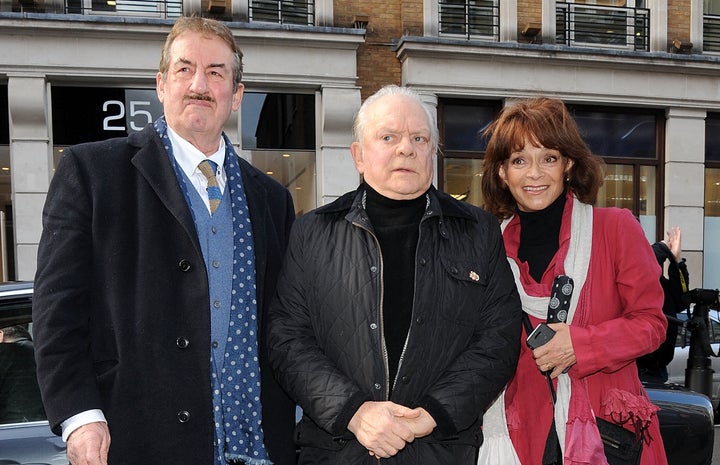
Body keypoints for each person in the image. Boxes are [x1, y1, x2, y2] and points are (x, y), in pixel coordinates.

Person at [32, 16, 296, 465]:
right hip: (137, 436)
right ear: (160, 84)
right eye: (184, 69)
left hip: (256, 447)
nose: (199, 84)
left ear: (236, 96)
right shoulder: (93, 173)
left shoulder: (271, 199)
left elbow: (286, 324)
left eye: (216, 73)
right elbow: (57, 309)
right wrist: (79, 414)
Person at [266, 85, 522, 465]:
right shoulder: (313, 232)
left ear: (432, 153)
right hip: (340, 450)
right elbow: (287, 337)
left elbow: (498, 338)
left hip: (440, 449)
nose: (407, 148)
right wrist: (354, 412)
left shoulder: (477, 231)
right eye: (389, 137)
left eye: (420, 138)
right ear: (359, 155)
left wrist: (432, 414)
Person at [477, 97, 668, 465]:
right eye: (519, 160)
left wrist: (582, 345)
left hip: (605, 436)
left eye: (548, 158)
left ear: (567, 164)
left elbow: (652, 324)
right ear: (502, 172)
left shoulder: (615, 229)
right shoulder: (488, 248)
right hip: (517, 435)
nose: (534, 173)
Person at [638, 226, 690, 383]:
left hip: (658, 370)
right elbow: (643, 266)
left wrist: (676, 260)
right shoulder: (634, 277)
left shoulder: (663, 286)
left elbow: (682, 300)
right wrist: (661, 248)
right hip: (635, 368)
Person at [0, 325, 46, 423]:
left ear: (1, 335)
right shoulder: (43, 352)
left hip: (12, 425)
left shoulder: (7, 353)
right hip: (47, 424)